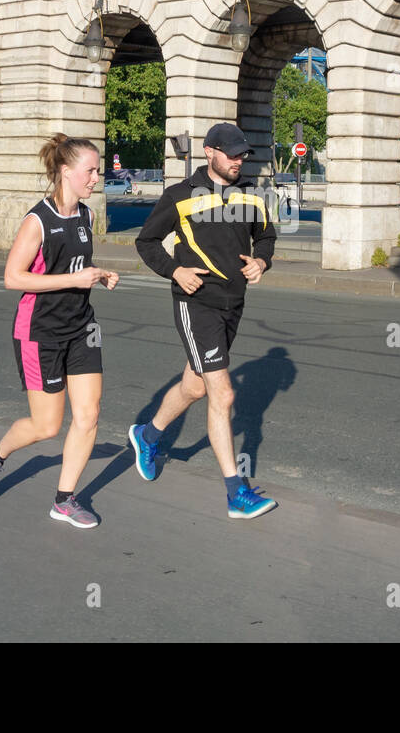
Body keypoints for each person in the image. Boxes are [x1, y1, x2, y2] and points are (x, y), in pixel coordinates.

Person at [128, 122, 279, 519]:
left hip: (234, 303)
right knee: (223, 394)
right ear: (209, 152)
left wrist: (262, 260)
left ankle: (148, 435)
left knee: (194, 386)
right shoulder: (179, 196)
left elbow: (266, 236)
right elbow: (145, 242)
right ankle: (235, 494)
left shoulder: (253, 194)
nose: (238, 160)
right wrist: (174, 271)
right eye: (231, 154)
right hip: (196, 302)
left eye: (242, 154)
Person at [0, 134, 119, 528]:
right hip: (40, 332)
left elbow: (75, 270)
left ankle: (64, 499)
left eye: (98, 170)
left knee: (88, 415)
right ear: (66, 172)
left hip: (81, 326)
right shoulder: (37, 221)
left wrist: (97, 276)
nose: (96, 177)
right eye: (91, 170)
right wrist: (76, 278)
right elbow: (12, 278)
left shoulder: (86, 216)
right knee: (47, 427)